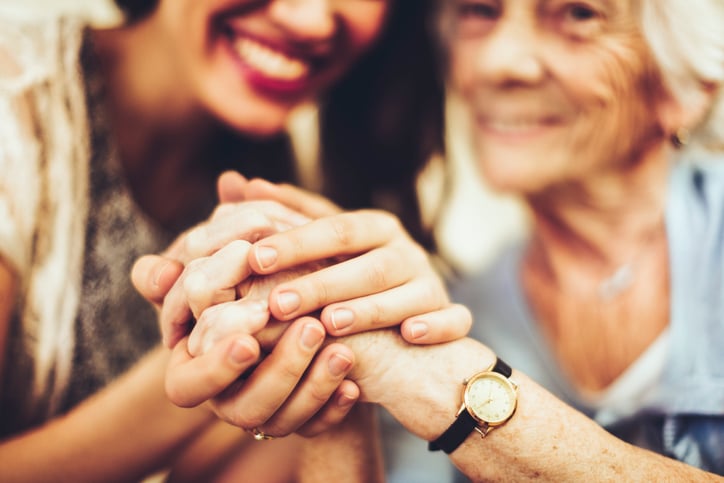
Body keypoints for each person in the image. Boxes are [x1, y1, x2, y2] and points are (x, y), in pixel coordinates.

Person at [137, 0, 724, 479]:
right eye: (479, 11)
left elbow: (428, 376)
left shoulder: (438, 343)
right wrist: (328, 341)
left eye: (578, 15)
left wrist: (440, 381)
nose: (500, 62)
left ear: (691, 84)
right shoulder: (449, 313)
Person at [0, 0, 468, 481]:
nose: (310, 18)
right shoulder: (12, 101)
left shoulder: (297, 193)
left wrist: (329, 362)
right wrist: (228, 362)